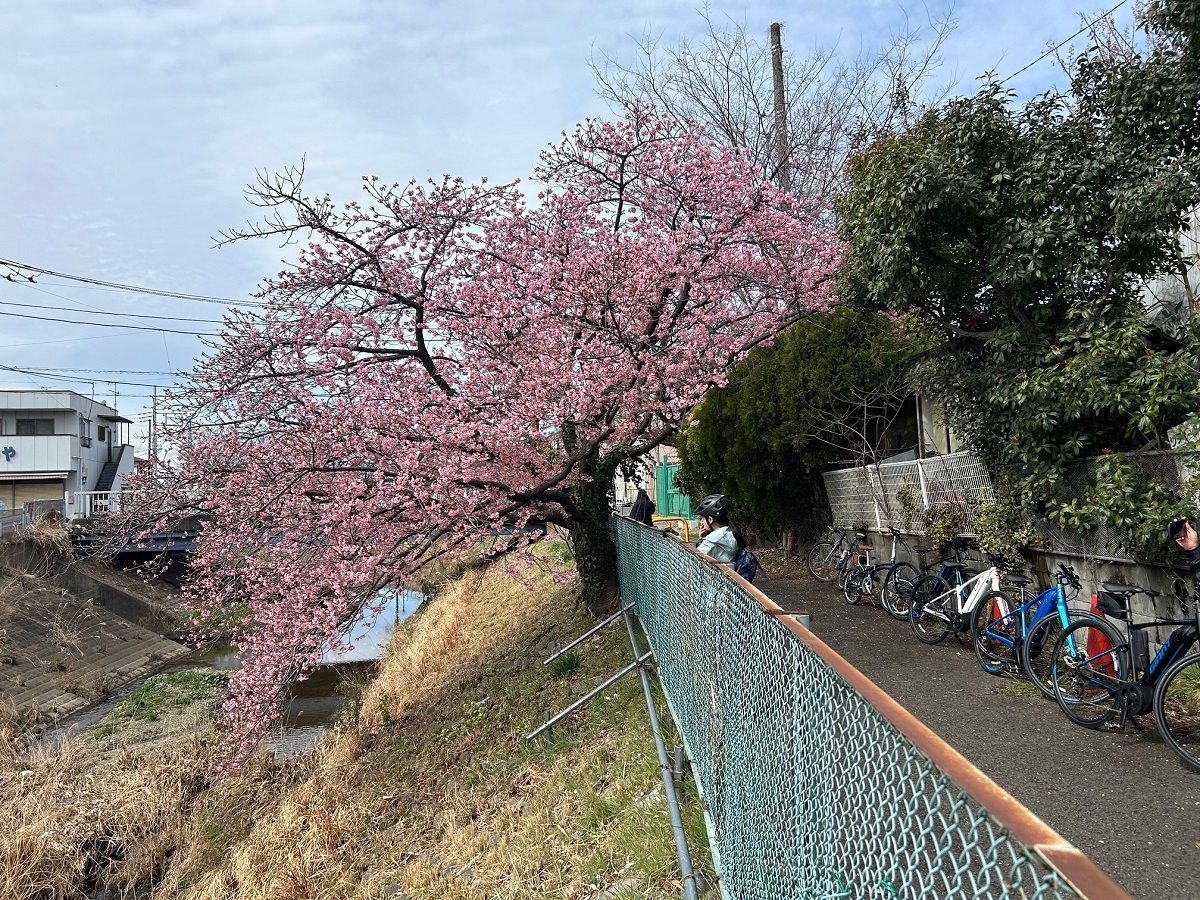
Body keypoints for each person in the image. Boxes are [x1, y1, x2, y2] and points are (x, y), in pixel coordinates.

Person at [695, 493, 738, 563]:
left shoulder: (711, 542)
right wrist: (702, 539)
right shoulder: (732, 533)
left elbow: (694, 562)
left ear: (710, 520)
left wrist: (702, 541)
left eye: (702, 518)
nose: (701, 522)